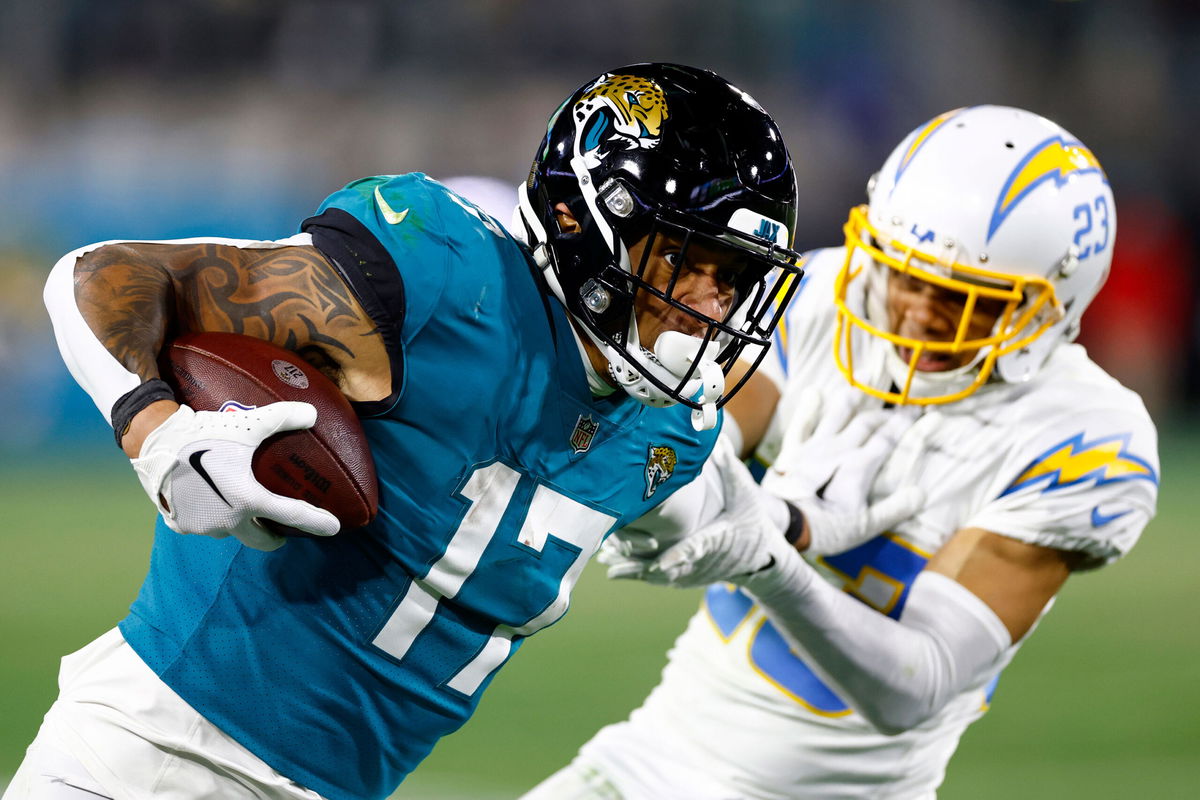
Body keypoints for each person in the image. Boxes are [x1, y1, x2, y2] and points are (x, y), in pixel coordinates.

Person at [6, 63, 804, 800]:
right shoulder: (444, 282)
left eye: (730, 276)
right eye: (684, 258)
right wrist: (158, 435)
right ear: (582, 217)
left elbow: (719, 494)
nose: (707, 304)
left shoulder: (671, 431)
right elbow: (105, 275)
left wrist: (798, 530)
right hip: (149, 758)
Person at [522, 105, 1160, 799]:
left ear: (1050, 306)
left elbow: (917, 686)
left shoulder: (1085, 435)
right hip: (652, 760)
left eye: (958, 296)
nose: (913, 310)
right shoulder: (834, 299)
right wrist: (740, 507)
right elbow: (692, 449)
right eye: (903, 272)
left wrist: (771, 558)